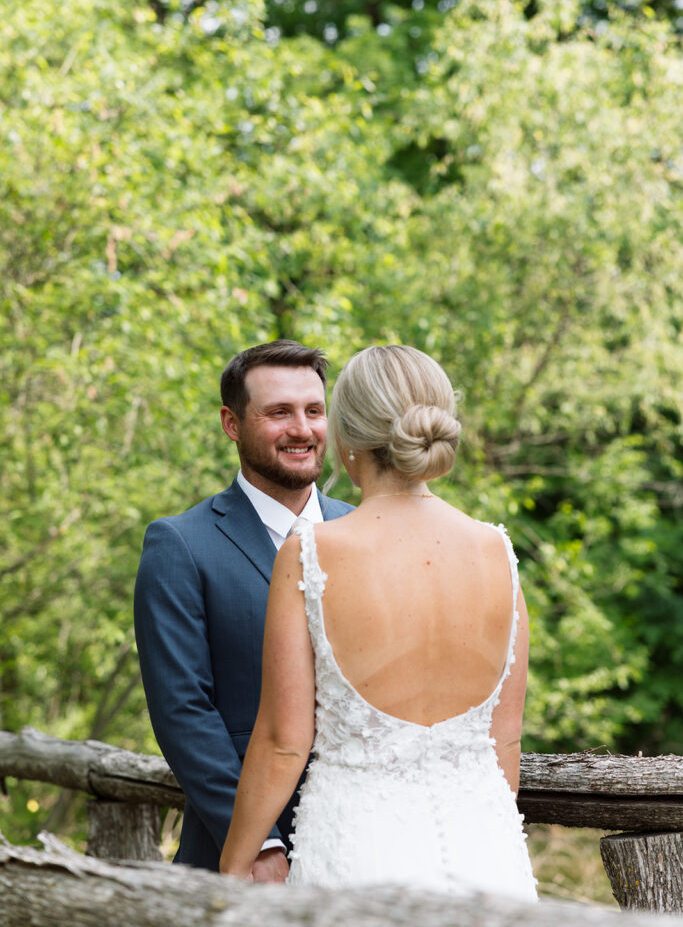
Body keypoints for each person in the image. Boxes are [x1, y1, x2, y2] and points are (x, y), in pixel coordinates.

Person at [219, 344, 538, 899]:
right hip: (487, 852)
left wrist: (229, 871)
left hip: (358, 853)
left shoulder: (311, 553)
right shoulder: (497, 553)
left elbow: (283, 742)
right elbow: (503, 742)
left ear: (347, 440)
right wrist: (490, 841)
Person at [134, 340, 353, 878]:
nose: (302, 429)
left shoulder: (364, 530)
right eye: (279, 412)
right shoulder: (180, 545)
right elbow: (183, 711)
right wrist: (258, 842)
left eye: (314, 411)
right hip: (246, 852)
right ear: (232, 423)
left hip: (364, 837)